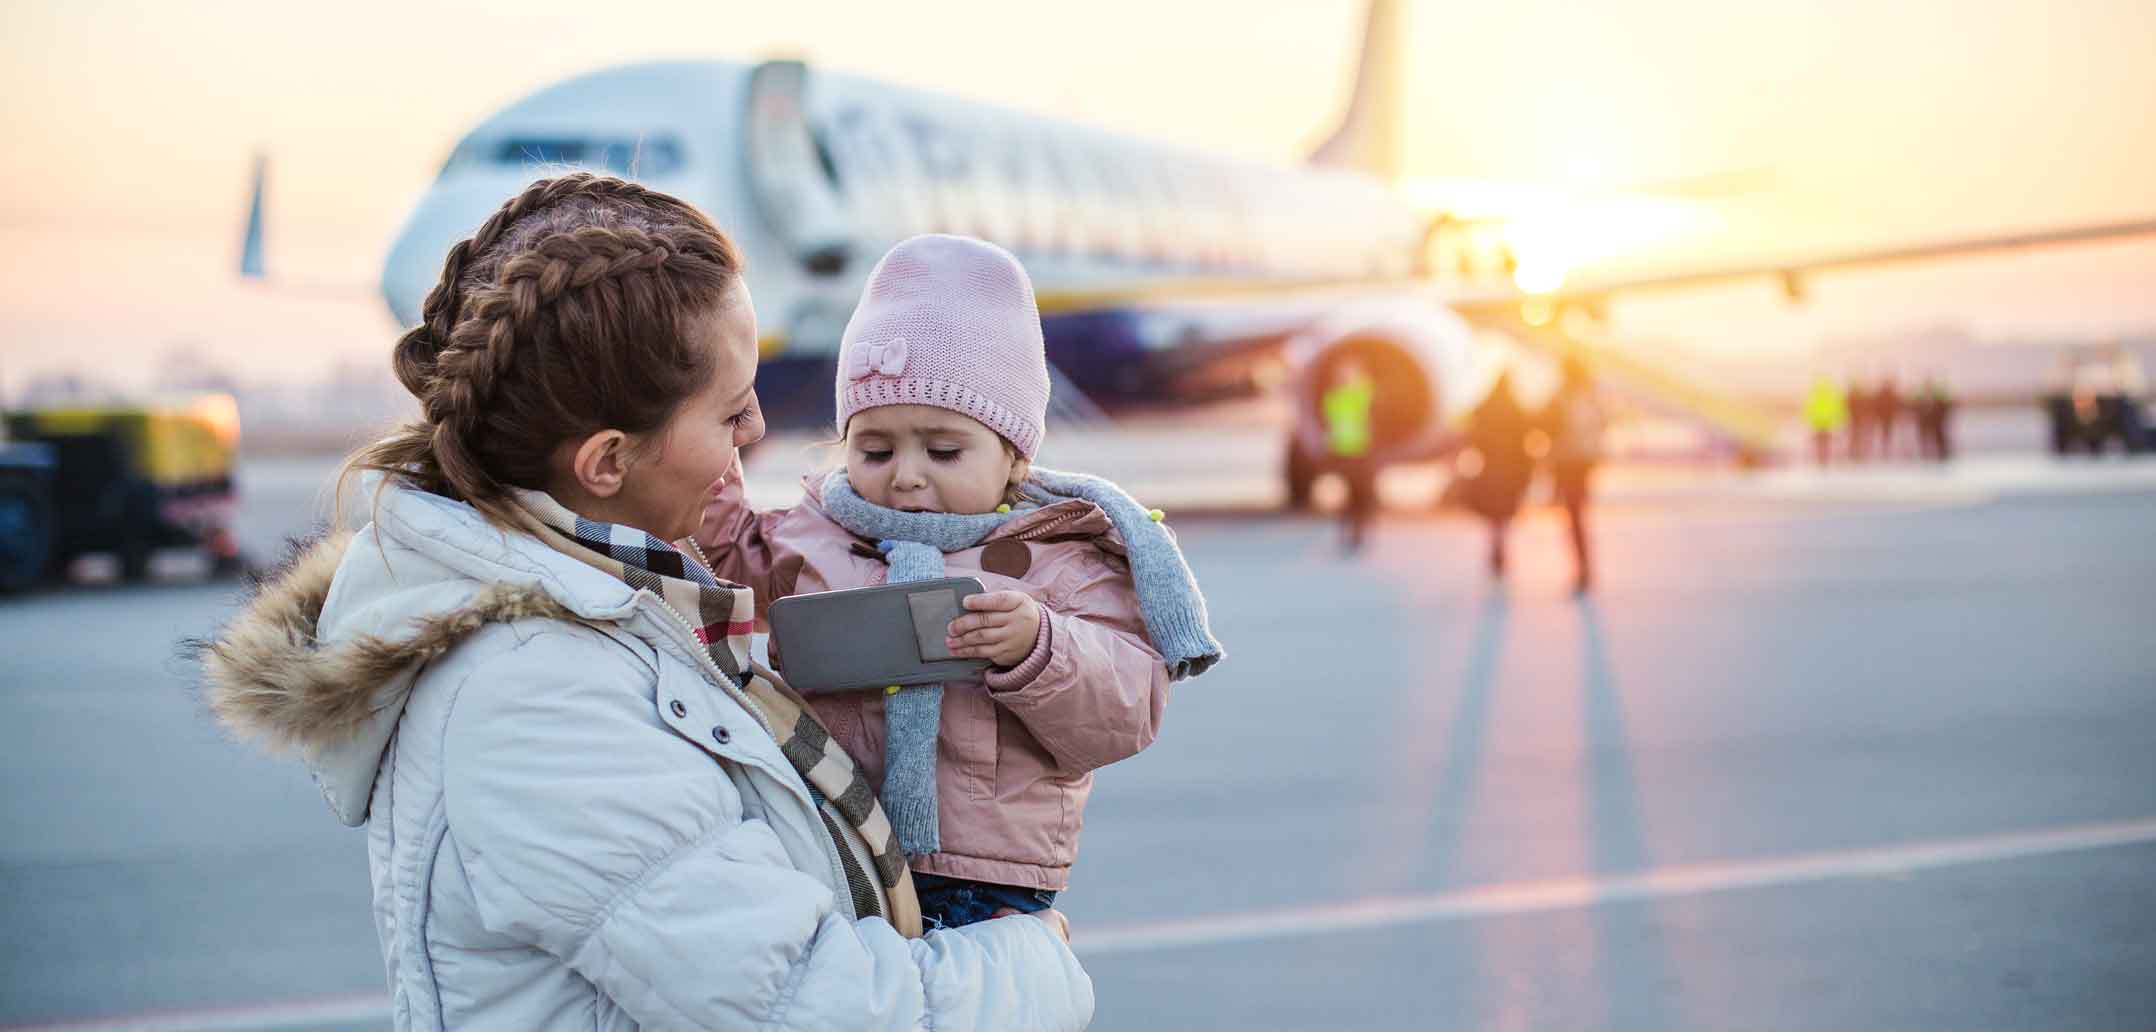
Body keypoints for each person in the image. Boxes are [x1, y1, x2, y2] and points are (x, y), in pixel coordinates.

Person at [195, 176, 1093, 1030]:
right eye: (730, 414)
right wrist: (1037, 961)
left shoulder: (610, 605)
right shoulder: (536, 702)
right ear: (608, 464)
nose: (757, 435)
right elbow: (813, 1008)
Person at [697, 234, 1221, 933]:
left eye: (943, 450)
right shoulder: (819, 530)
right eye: (874, 449)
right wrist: (709, 438)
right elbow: (727, 549)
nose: (907, 474)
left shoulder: (1061, 556)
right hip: (837, 844)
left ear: (1013, 460)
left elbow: (1127, 710)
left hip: (982, 878)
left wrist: (1042, 646)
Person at [1463, 371, 1535, 580]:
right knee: (1503, 512)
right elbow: (1526, 436)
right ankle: (1500, 544)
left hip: (1491, 466)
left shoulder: (1486, 406)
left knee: (1494, 512)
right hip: (1511, 467)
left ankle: (1496, 545)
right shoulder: (1516, 408)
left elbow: (1473, 430)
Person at [1542, 356, 1606, 595]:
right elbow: (1602, 425)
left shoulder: (1561, 397)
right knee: (1578, 515)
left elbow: (1547, 425)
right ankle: (1585, 566)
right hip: (1585, 461)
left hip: (1567, 461)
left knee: (1573, 516)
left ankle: (1582, 569)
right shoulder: (1591, 396)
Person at [1318, 358, 1379, 553]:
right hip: (1351, 453)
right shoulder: (1354, 396)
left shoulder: (1334, 397)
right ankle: (1354, 532)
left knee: (1355, 496)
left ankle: (1352, 532)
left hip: (1352, 452)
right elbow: (1370, 396)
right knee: (1359, 496)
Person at [1804, 374, 1850, 467]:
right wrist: (1841, 419)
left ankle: (1820, 459)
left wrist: (1807, 420)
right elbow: (1838, 408)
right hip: (1828, 423)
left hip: (1817, 423)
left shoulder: (1815, 395)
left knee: (1819, 443)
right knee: (1826, 443)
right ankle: (1824, 459)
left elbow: (1808, 409)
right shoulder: (1831, 394)